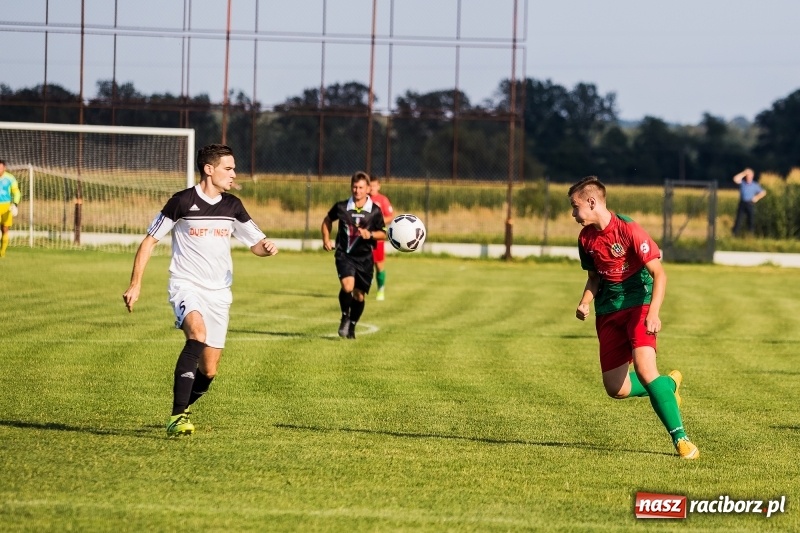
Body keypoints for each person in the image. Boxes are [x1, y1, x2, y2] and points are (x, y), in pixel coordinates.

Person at [122, 144, 278, 438]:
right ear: (209, 169)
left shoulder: (233, 206)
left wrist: (265, 248)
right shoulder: (181, 202)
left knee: (209, 372)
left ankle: (183, 406)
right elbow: (149, 242)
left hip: (219, 293)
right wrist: (135, 283)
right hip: (185, 283)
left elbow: (254, 243)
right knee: (197, 334)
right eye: (228, 168)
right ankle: (177, 416)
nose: (234, 174)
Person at [568, 175, 699, 460]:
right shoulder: (586, 239)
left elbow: (659, 273)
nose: (573, 214)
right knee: (616, 388)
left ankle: (682, 439)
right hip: (608, 311)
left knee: (644, 368)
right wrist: (584, 302)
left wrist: (653, 313)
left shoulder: (628, 229)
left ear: (592, 202)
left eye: (575, 207)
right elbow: (593, 278)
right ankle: (668, 386)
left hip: (639, 304)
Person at [321, 171, 387, 339]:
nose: (357, 191)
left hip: (365, 258)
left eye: (361, 187)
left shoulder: (374, 211)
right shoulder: (342, 207)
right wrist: (326, 239)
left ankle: (352, 325)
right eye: (355, 187)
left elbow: (383, 233)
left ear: (367, 189)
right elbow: (327, 220)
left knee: (359, 295)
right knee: (347, 286)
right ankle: (344, 316)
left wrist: (370, 235)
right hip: (345, 254)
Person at [368, 176, 394, 301]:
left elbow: (390, 216)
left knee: (379, 265)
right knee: (362, 264)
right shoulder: (363, 199)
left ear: (379, 186)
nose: (372, 188)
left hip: (377, 238)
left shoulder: (382, 200)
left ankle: (380, 290)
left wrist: (379, 221)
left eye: (374, 185)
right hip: (363, 238)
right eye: (370, 185)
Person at [731, 167, 766, 236]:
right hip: (742, 203)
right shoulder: (743, 183)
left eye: (749, 176)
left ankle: (750, 234)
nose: (748, 177)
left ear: (752, 176)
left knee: (750, 219)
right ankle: (735, 234)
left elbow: (763, 192)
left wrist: (756, 198)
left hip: (750, 203)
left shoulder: (754, 185)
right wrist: (744, 173)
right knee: (739, 219)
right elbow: (735, 179)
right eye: (747, 176)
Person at [0, 159, 21, 258]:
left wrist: (15, 204)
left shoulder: (10, 178)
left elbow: (16, 192)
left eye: (0, 167)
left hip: (6, 207)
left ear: (4, 168)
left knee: (5, 229)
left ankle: (2, 252)